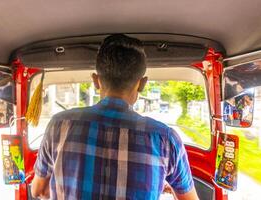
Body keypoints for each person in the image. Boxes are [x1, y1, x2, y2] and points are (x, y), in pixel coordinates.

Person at [31, 34, 198, 200]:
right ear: (142, 83)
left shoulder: (59, 125)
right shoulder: (165, 139)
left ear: (96, 81)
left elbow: (39, 191)